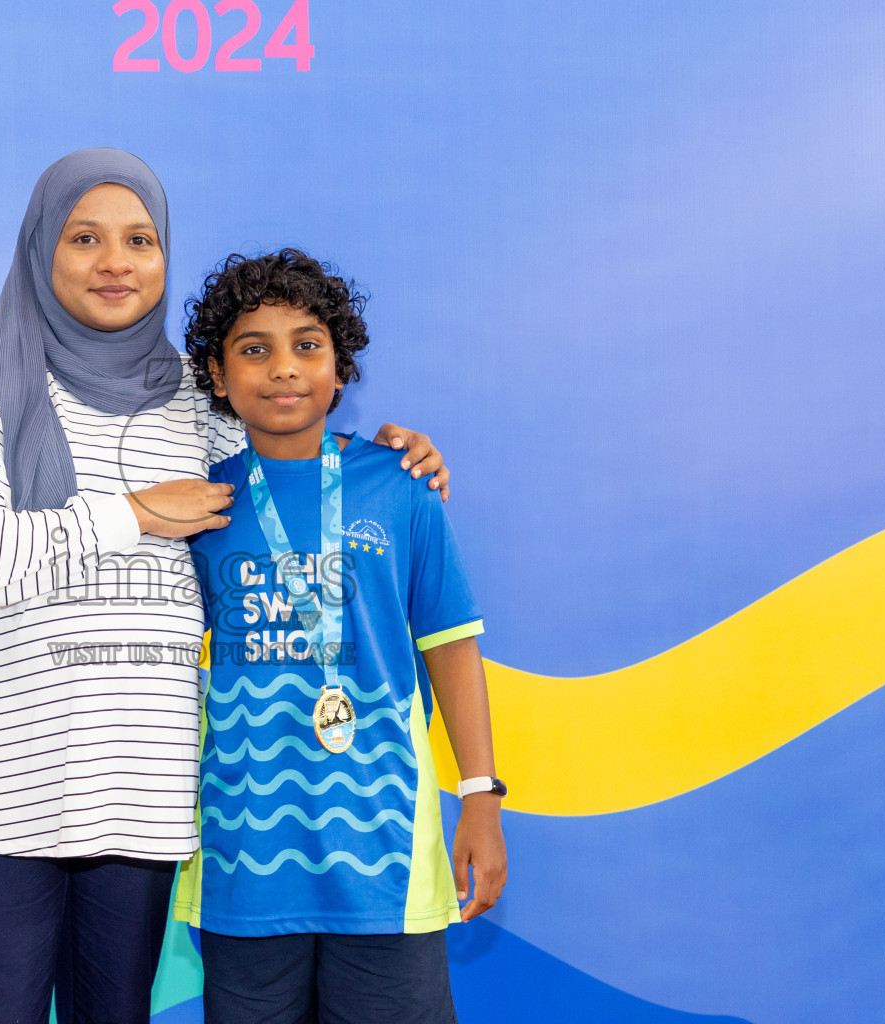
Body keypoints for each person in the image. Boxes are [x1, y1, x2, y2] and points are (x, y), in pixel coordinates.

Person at [0, 150, 453, 1024]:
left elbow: (292, 418)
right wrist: (135, 513)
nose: (115, 261)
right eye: (86, 238)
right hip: (7, 785)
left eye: (140, 239)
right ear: (42, 246)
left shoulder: (191, 398)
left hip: (141, 790)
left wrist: (397, 453)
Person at [175, 249, 507, 1023]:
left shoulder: (403, 487)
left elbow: (452, 648)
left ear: (340, 369)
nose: (283, 368)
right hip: (242, 861)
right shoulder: (198, 507)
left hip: (383, 857)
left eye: (307, 345)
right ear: (219, 379)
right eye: (254, 349)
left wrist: (482, 797)